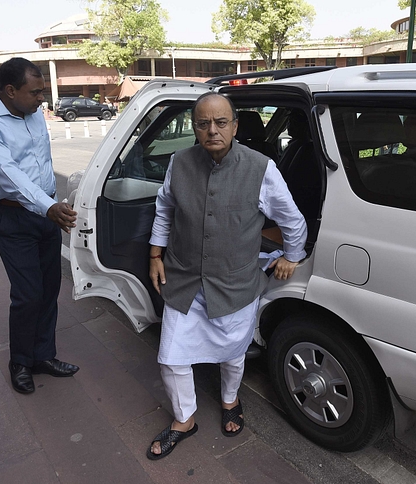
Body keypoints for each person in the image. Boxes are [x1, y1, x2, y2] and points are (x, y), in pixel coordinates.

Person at [147, 93, 308, 460]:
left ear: (235, 126)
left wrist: (291, 257)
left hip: (235, 282)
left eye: (221, 123)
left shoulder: (261, 168)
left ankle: (230, 400)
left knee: (233, 354)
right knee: (171, 357)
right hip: (185, 279)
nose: (212, 130)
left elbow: (292, 220)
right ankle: (184, 419)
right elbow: (164, 208)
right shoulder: (180, 162)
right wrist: (155, 252)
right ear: (194, 127)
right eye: (203, 123)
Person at [0, 57, 79, 395]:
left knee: (48, 288)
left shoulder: (33, 114)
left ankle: (44, 355)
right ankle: (20, 362)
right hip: (11, 216)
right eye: (35, 92)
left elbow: (41, 165)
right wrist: (48, 207)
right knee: (27, 294)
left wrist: (55, 200)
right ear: (10, 90)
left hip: (45, 209)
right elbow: (7, 174)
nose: (42, 99)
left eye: (43, 91)